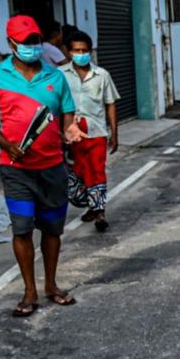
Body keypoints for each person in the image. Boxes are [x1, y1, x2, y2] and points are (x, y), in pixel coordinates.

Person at [0, 15, 85, 316]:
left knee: (52, 231)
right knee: (22, 229)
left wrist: (72, 131)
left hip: (52, 168)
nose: (32, 46)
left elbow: (67, 120)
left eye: (35, 40)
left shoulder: (55, 78)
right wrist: (6, 144)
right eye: (25, 42)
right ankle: (29, 291)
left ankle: (51, 285)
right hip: (15, 170)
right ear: (11, 43)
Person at [60, 30, 120, 232]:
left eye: (84, 50)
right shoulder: (59, 75)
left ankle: (100, 212)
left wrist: (114, 133)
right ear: (68, 52)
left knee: (97, 171)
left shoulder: (102, 75)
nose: (81, 54)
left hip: (96, 132)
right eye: (76, 50)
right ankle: (92, 205)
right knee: (77, 174)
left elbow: (110, 104)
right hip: (70, 134)